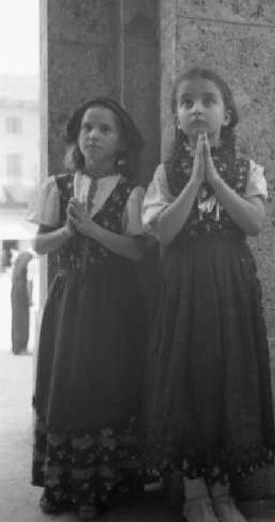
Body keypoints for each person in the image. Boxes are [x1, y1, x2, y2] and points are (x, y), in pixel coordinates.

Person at [142, 68, 275, 522]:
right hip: (184, 290)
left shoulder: (246, 168)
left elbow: (254, 224)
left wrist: (215, 179)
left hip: (230, 288)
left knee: (226, 378)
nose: (197, 108)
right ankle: (195, 491)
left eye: (208, 100)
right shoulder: (165, 173)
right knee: (187, 379)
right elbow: (163, 232)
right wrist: (194, 179)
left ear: (227, 112)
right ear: (177, 117)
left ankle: (223, 489)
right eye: (186, 102)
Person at [29, 97, 148, 520]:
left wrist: (94, 229)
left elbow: (137, 251)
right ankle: (64, 483)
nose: (93, 135)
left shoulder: (133, 193)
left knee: (106, 384)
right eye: (86, 128)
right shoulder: (58, 186)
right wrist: (67, 229)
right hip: (70, 301)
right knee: (66, 386)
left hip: (114, 305)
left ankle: (104, 484)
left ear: (121, 143)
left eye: (104, 129)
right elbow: (39, 245)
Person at [10, 247, 33, 354]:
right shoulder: (32, 260)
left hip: (14, 289)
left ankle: (15, 346)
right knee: (24, 320)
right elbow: (29, 282)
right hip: (22, 290)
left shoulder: (21, 256)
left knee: (16, 318)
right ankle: (22, 347)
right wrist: (30, 298)